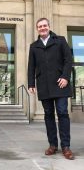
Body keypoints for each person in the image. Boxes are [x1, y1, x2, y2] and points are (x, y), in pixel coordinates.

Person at [28, 17, 74, 160]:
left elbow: (68, 59)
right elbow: (31, 67)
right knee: (48, 115)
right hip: (44, 85)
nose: (43, 28)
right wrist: (31, 84)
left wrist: (66, 77)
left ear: (49, 26)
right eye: (40, 26)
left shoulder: (60, 40)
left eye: (45, 25)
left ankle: (66, 146)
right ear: (37, 29)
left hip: (60, 84)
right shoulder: (34, 46)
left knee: (62, 113)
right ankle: (53, 145)